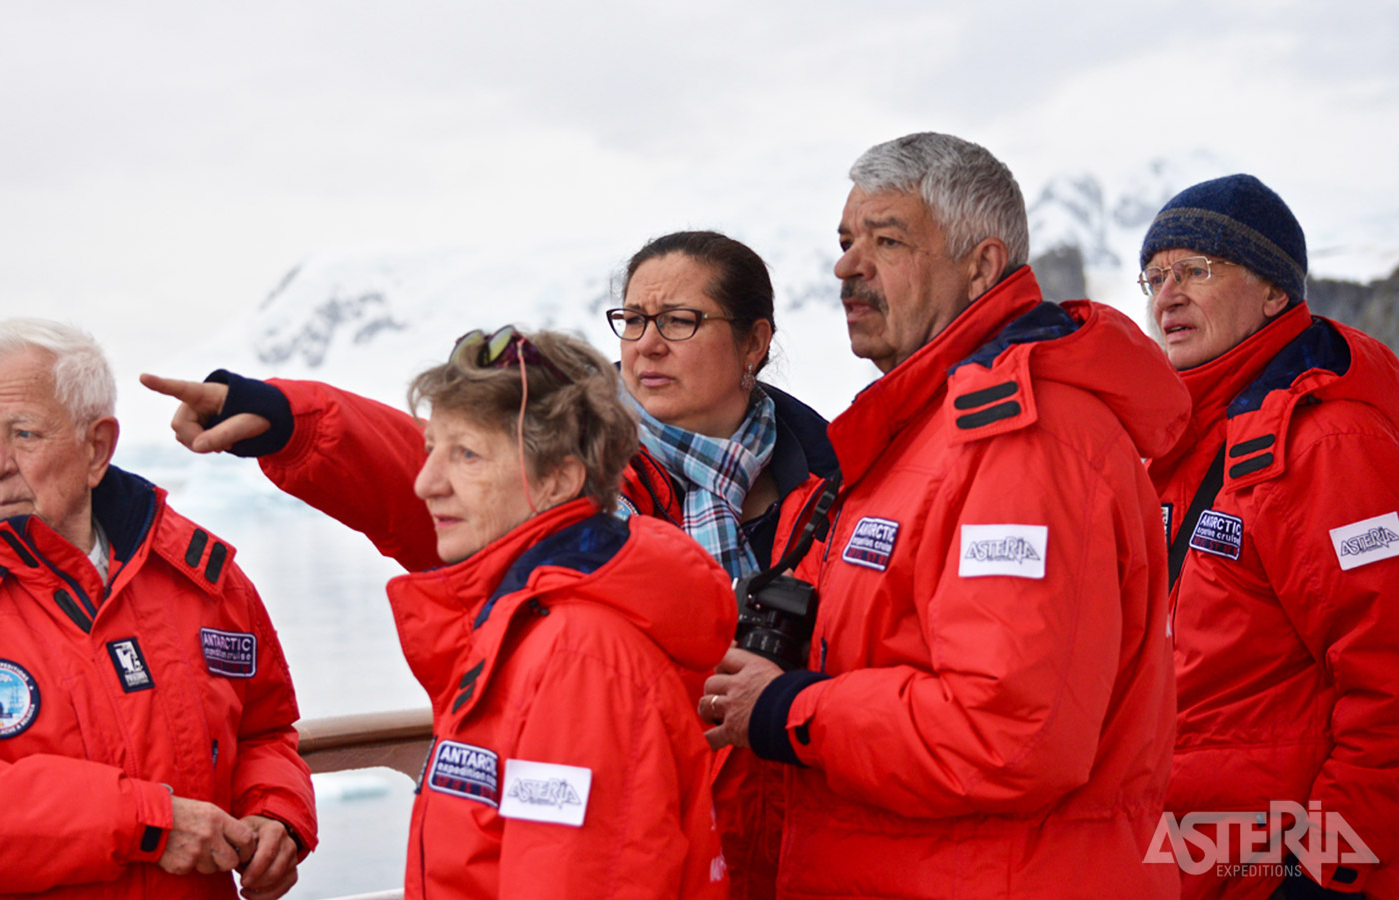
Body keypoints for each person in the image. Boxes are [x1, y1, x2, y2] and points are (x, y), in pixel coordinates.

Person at [142, 229, 836, 898]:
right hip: (684, 836)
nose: (648, 342)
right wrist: (293, 419)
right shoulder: (577, 474)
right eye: (633, 318)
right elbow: (418, 472)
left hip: (799, 841)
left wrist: (795, 695)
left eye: (680, 320)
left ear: (754, 342)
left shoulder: (841, 484)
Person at [699, 132, 1191, 899]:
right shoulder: (924, 431)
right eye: (845, 241)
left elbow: (1010, 732)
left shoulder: (1024, 441)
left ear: (981, 267)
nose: (846, 267)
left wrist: (792, 707)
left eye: (886, 240)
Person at [0, 319, 316, 900]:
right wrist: (143, 824)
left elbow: (264, 730)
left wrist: (275, 814)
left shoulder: (201, 579)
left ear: (96, 447)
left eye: (24, 435)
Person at [386, 327, 735, 897]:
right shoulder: (528, 626)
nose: (426, 483)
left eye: (466, 454)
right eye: (431, 450)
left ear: (558, 480)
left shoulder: (579, 656)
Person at [1139, 175, 1399, 900]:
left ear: (1275, 293)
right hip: (1186, 861)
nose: (1168, 295)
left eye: (1197, 269)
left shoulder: (1330, 443)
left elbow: (1389, 681)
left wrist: (1323, 872)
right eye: (1155, 276)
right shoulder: (1180, 445)